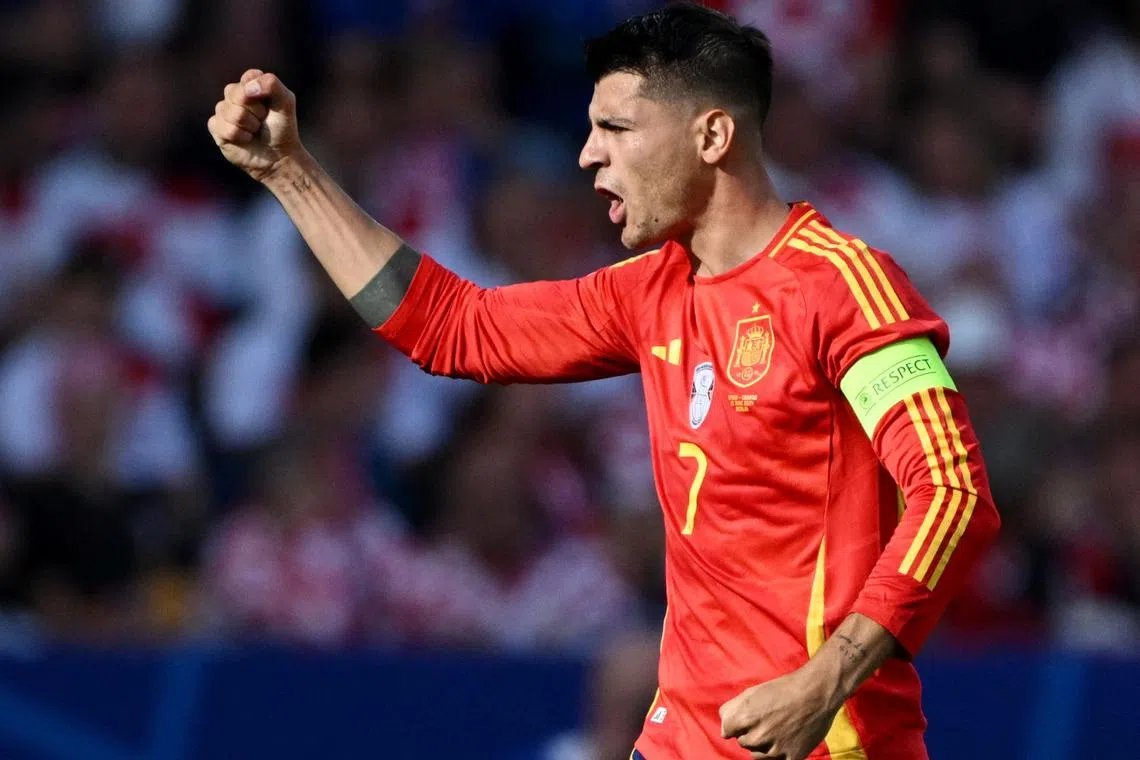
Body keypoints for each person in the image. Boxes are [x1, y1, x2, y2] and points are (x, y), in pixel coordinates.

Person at [207, 4, 1000, 759]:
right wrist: (291, 173)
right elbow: (452, 328)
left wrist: (825, 680)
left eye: (615, 129)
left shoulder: (843, 290)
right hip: (683, 736)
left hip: (830, 738)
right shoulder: (648, 293)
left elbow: (954, 493)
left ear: (713, 135)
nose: (588, 154)